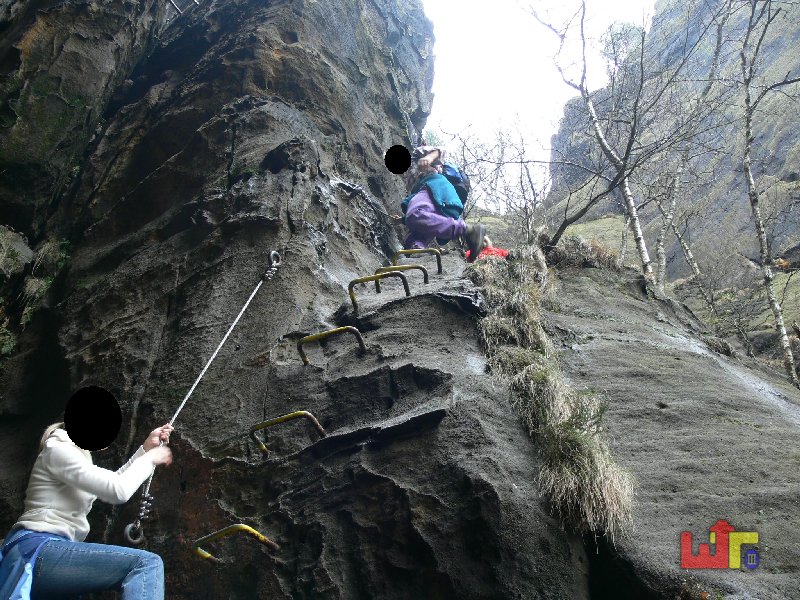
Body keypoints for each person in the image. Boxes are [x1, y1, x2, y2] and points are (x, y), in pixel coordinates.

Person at [0, 421, 174, 600]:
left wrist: (145, 449)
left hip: (42, 554)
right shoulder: (58, 448)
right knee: (146, 564)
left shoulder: (76, 455)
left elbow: (115, 480)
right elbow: (118, 490)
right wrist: (150, 458)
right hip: (37, 548)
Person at [398, 145, 486, 262]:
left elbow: (442, 150)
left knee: (414, 215)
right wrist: (402, 219)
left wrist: (429, 157)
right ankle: (418, 251)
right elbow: (425, 214)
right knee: (414, 237)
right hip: (431, 196)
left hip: (434, 186)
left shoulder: (416, 155)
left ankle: (468, 231)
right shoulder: (407, 175)